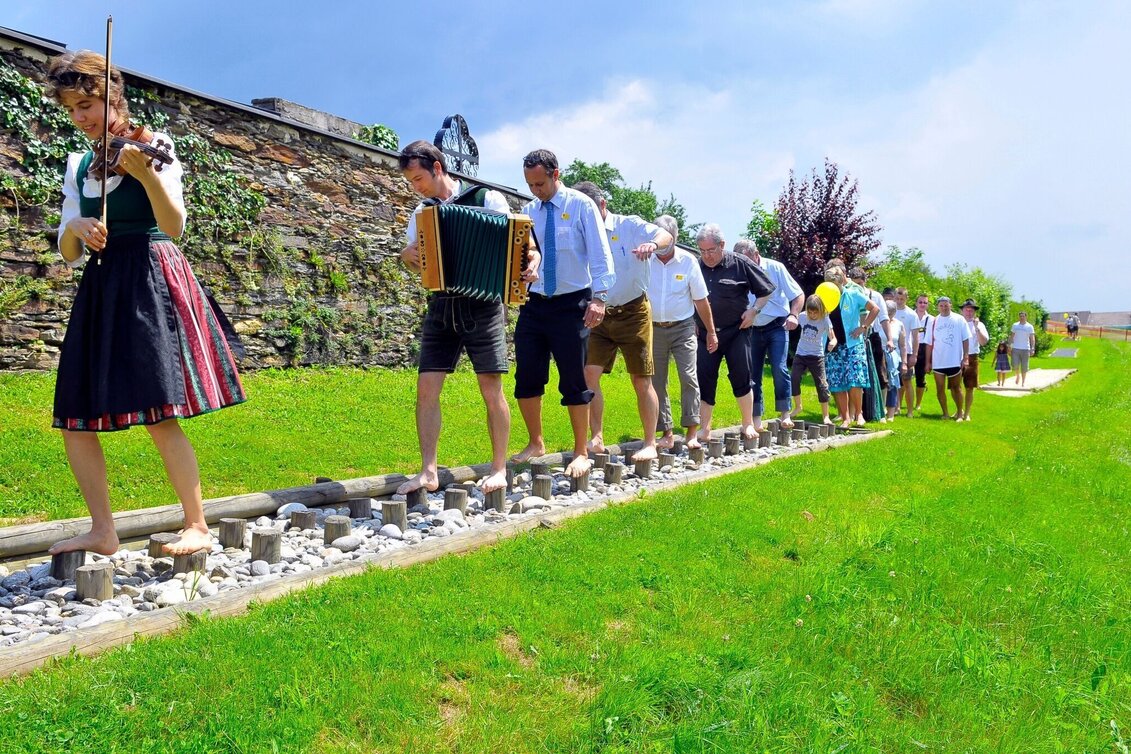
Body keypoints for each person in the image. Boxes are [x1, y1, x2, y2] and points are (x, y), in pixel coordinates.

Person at [45, 51, 246, 557]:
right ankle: (102, 530)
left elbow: (174, 226)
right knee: (74, 412)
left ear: (115, 96)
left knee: (159, 408)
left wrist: (147, 175)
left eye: (89, 103)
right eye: (73, 108)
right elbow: (68, 256)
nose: (83, 117)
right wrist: (75, 228)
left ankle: (196, 523)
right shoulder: (79, 165)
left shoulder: (154, 146)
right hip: (101, 283)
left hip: (150, 275)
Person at [395, 140, 539, 496]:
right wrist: (406, 254)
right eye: (411, 181)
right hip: (442, 306)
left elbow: (525, 246)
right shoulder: (422, 212)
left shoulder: (487, 200)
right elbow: (412, 256)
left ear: (438, 168)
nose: (416, 187)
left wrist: (531, 261)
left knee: (492, 389)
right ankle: (428, 471)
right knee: (426, 389)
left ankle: (499, 469)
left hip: (485, 305)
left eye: (418, 179)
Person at [511, 150, 615, 477]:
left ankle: (581, 451)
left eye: (540, 183)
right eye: (530, 184)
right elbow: (524, 255)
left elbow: (601, 256)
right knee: (527, 374)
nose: (535, 190)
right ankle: (535, 442)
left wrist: (600, 298)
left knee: (574, 377)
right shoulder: (528, 211)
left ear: (556, 174)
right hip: (535, 303)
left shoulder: (581, 206)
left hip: (574, 304)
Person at [570, 182, 672, 462]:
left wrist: (653, 244)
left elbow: (665, 236)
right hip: (597, 312)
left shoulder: (630, 225)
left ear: (602, 205)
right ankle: (597, 438)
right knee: (589, 376)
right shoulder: (582, 232)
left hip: (633, 311)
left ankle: (650, 441)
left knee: (641, 379)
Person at [694, 225, 775, 440]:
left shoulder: (740, 263)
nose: (707, 256)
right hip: (704, 333)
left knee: (742, 375)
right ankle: (705, 428)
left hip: (736, 331)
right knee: (704, 377)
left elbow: (766, 290)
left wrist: (754, 311)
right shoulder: (695, 265)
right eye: (702, 251)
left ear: (722, 245)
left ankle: (747, 423)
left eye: (711, 250)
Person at [648, 214, 718, 450]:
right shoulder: (646, 260)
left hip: (683, 327)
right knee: (657, 382)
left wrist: (711, 331)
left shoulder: (688, 262)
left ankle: (691, 432)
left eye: (663, 239)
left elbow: (701, 300)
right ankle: (666, 432)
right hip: (654, 328)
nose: (658, 243)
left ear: (674, 238)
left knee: (689, 377)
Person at [733, 238, 804, 430]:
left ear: (756, 256)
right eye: (739, 261)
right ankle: (755, 418)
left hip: (777, 325)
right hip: (751, 328)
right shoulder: (736, 270)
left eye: (746, 260)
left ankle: (785, 414)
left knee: (779, 368)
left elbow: (798, 294)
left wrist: (794, 315)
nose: (743, 265)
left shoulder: (775, 268)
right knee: (752, 373)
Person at [822, 265, 879, 428]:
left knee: (855, 380)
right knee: (838, 382)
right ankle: (846, 418)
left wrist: (863, 327)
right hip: (834, 345)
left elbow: (875, 308)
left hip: (853, 344)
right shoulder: (825, 297)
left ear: (841, 282)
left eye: (835, 284)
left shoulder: (853, 294)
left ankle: (859, 414)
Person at [848, 268, 893, 423]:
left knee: (880, 373)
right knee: (856, 376)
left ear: (865, 282)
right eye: (854, 283)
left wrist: (890, 339)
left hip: (871, 336)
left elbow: (884, 318)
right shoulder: (849, 294)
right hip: (853, 337)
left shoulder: (875, 296)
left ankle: (882, 411)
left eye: (860, 283)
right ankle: (853, 413)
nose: (857, 286)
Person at [789, 294, 836, 425]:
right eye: (810, 312)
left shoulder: (825, 319)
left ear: (820, 310)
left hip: (817, 356)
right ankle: (798, 407)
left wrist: (832, 342)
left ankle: (825, 416)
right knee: (794, 378)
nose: (813, 315)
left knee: (822, 384)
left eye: (815, 312)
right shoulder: (803, 316)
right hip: (801, 354)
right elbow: (791, 323)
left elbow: (833, 337)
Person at [923, 296, 970, 419]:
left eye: (946, 305)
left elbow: (966, 339)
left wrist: (965, 357)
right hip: (938, 361)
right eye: (941, 305)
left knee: (956, 388)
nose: (944, 308)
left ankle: (960, 413)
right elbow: (929, 343)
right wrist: (928, 362)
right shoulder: (933, 322)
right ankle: (945, 413)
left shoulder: (959, 319)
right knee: (940, 389)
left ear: (951, 305)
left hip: (954, 360)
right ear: (938, 307)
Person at [958, 298, 989, 421]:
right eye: (966, 310)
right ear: (962, 311)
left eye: (971, 310)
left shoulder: (979, 325)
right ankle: (959, 410)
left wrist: (977, 328)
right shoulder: (957, 322)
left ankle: (967, 413)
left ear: (974, 312)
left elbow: (983, 342)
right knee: (956, 385)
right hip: (957, 357)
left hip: (972, 357)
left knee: (970, 387)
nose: (969, 312)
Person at [892, 288, 920, 417]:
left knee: (907, 381)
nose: (899, 301)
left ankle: (909, 411)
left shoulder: (911, 314)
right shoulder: (890, 311)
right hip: (892, 350)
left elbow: (915, 336)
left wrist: (914, 354)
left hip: (906, 351)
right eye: (897, 298)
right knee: (894, 380)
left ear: (906, 299)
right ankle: (895, 407)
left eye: (901, 299)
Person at [881, 299, 906, 422]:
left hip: (894, 358)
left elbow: (903, 345)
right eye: (887, 313)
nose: (889, 316)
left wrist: (905, 362)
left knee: (892, 385)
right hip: (879, 356)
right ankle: (880, 411)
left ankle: (891, 414)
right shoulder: (877, 322)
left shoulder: (899, 324)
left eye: (891, 313)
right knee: (881, 384)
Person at [912, 294, 934, 411]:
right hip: (910, 347)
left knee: (920, 377)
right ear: (916, 303)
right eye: (920, 302)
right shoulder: (911, 315)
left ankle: (918, 404)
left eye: (925, 303)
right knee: (905, 376)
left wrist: (929, 361)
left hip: (924, 348)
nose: (922, 305)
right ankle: (900, 403)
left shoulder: (931, 319)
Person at [1010, 311, 1036, 386]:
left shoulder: (1029, 326)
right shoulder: (1015, 325)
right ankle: (1018, 376)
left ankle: (1023, 382)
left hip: (1025, 349)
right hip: (1016, 348)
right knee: (1015, 365)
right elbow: (1012, 336)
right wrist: (1010, 345)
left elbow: (1032, 338)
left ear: (1026, 317)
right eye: (1020, 316)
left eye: (1023, 316)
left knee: (1024, 367)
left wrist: (1032, 348)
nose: (1022, 317)